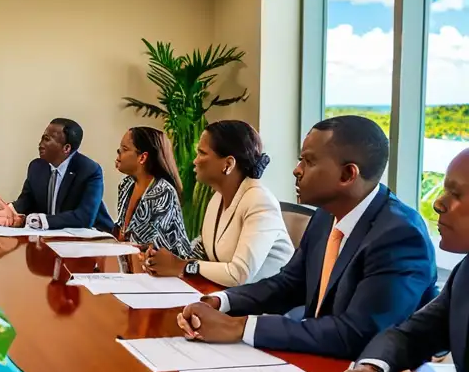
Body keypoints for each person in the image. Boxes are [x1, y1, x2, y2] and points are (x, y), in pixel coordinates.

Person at [176, 115, 437, 359]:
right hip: (317, 359)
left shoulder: (399, 235)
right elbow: (289, 284)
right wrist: (222, 301)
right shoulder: (326, 216)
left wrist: (239, 327)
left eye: (308, 161)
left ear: (348, 175)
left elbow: (357, 334)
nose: (296, 170)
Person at [341, 149, 469, 372]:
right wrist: (368, 371)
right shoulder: (464, 274)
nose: (438, 203)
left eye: (456, 194)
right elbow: (410, 335)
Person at [144, 120, 293, 286]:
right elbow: (203, 250)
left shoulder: (260, 202)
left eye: (202, 153)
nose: (195, 161)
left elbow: (239, 275)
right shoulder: (217, 198)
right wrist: (163, 256)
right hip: (230, 296)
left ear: (228, 164)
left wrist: (182, 265)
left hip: (267, 307)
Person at [0, 118, 115, 231]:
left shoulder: (89, 170)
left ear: (66, 148)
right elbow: (26, 201)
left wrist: (40, 221)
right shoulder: (37, 167)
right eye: (42, 137)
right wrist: (10, 210)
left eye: (47, 139)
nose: (40, 143)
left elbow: (84, 217)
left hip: (93, 240)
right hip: (53, 238)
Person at [113, 127, 191, 255]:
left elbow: (151, 244)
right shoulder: (126, 184)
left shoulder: (163, 191)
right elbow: (123, 232)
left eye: (124, 149)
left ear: (142, 158)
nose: (118, 152)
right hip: (133, 260)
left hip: (166, 267)